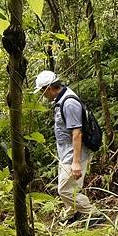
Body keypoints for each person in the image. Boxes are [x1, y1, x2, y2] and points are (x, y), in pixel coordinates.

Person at [34, 70, 102, 225]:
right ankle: (72, 213)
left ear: (49, 88)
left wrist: (76, 162)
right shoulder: (62, 98)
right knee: (73, 186)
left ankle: (92, 213)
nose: (43, 96)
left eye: (43, 92)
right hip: (66, 153)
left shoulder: (69, 103)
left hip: (73, 154)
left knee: (64, 190)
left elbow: (77, 133)